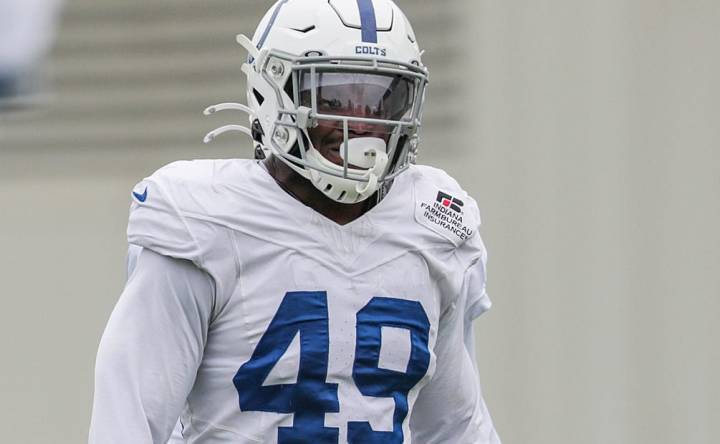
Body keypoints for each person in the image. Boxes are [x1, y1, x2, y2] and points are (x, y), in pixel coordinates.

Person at [89, 0, 501, 443]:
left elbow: (456, 427)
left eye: (382, 99)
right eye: (336, 96)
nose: (358, 122)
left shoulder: (431, 225)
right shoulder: (205, 220)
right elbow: (128, 419)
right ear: (275, 89)